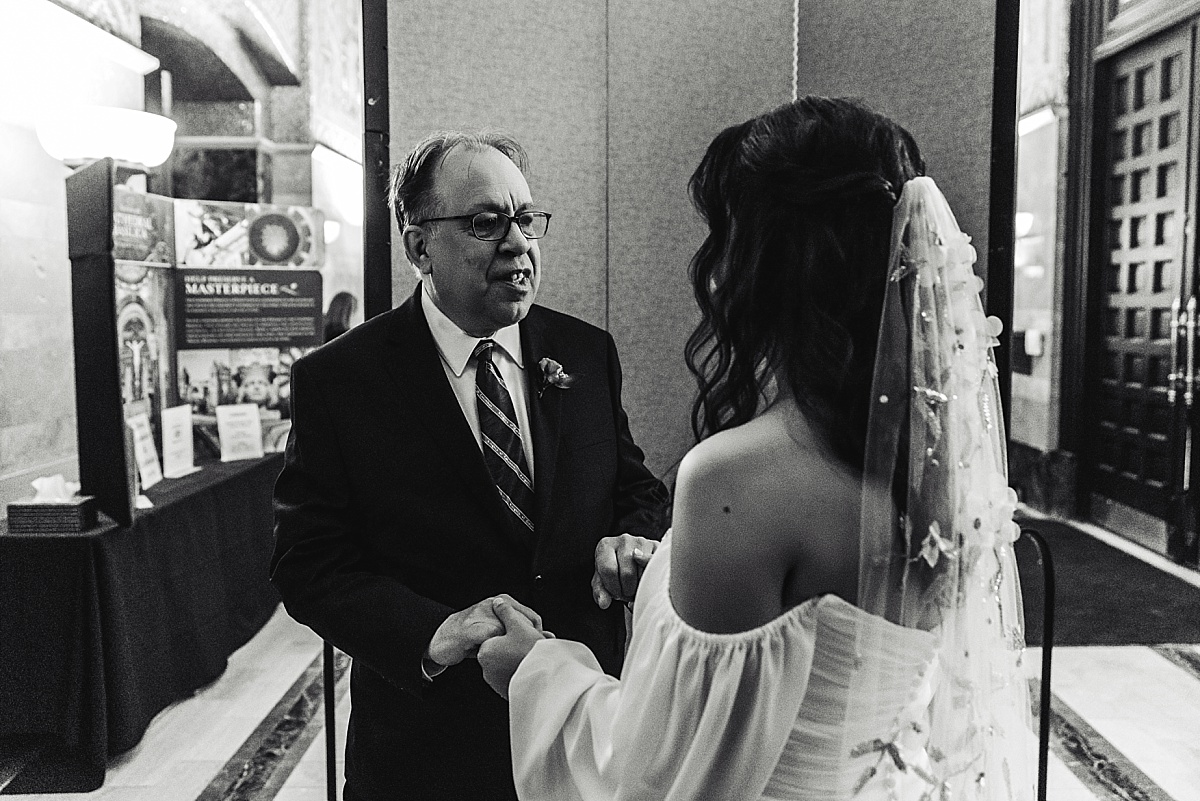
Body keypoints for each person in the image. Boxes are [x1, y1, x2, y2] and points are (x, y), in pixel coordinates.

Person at [477, 97, 1036, 801]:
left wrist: (538, 672)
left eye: (724, 237)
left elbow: (661, 774)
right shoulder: (938, 467)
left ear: (765, 265)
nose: (711, 269)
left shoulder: (734, 477)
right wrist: (673, 568)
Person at [270, 130, 670, 800]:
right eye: (485, 222)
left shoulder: (585, 351)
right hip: (427, 752)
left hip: (579, 737)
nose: (517, 242)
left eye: (526, 218)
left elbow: (633, 487)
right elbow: (309, 565)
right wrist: (439, 630)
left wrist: (628, 540)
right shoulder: (341, 381)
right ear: (418, 245)